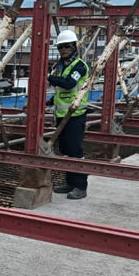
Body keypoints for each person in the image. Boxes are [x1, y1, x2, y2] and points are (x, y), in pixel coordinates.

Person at [48, 30, 89, 200]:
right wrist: (49, 102)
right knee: (65, 150)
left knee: (75, 150)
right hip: (62, 115)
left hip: (75, 115)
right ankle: (70, 183)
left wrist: (50, 78)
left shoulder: (79, 66)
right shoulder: (61, 66)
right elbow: (60, 92)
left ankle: (80, 186)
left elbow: (69, 84)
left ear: (73, 47)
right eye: (60, 47)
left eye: (66, 46)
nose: (63, 50)